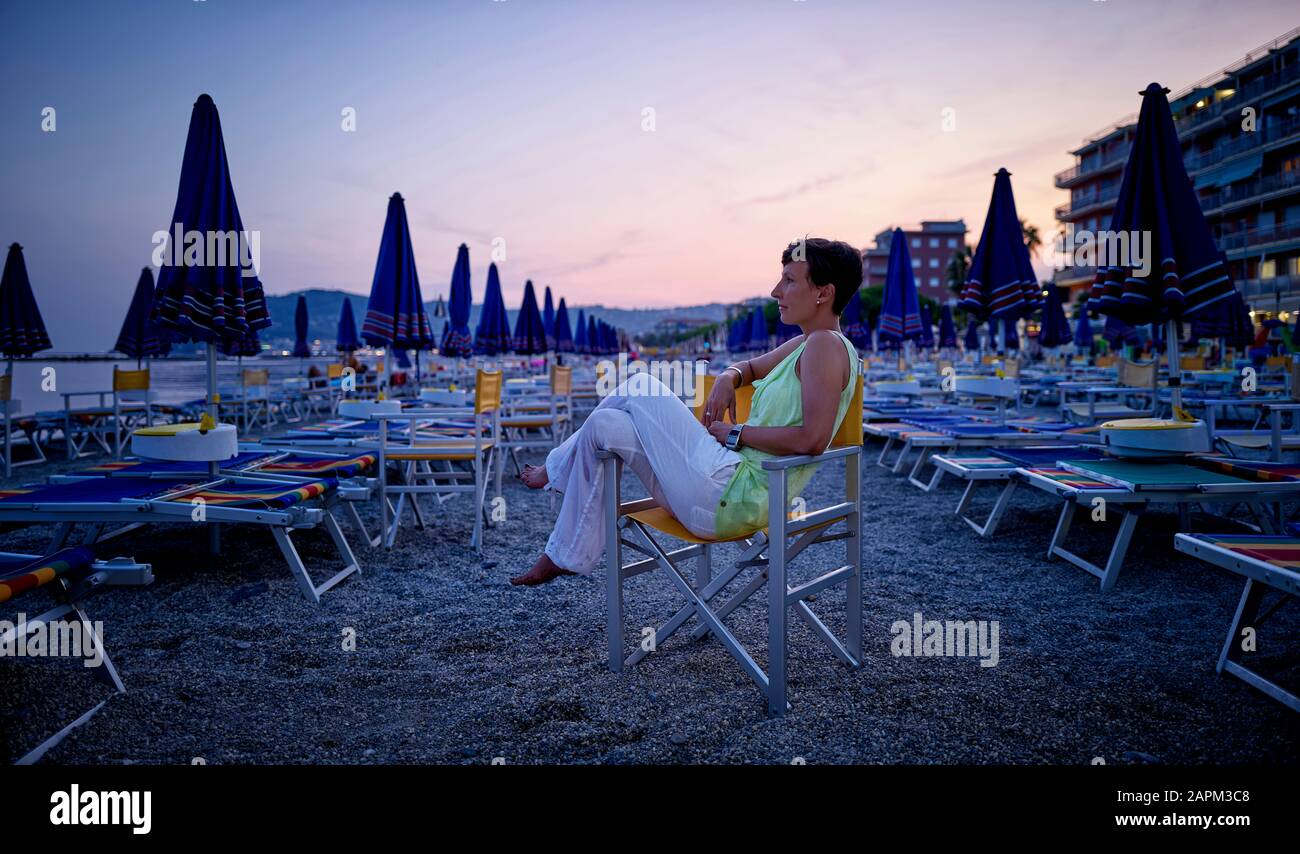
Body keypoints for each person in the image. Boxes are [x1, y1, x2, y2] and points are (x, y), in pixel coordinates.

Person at [510, 238, 862, 586]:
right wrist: (729, 375)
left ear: (823, 293)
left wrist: (735, 433)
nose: (775, 291)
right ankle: (564, 555)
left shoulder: (824, 345)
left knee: (639, 385)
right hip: (718, 501)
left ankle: (554, 469)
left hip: (734, 493)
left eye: (789, 280)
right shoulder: (805, 343)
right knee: (605, 424)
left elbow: (813, 440)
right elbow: (751, 368)